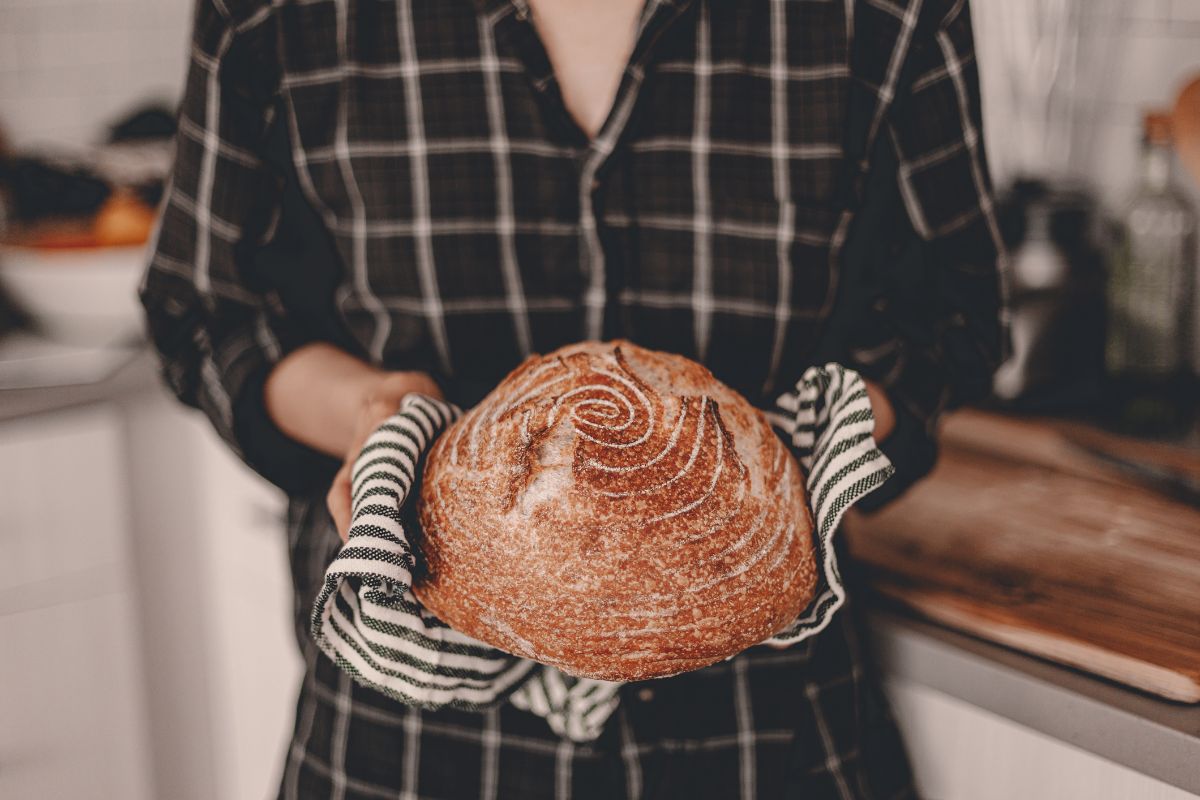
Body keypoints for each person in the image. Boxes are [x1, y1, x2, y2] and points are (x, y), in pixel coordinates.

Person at [140, 0, 1005, 796]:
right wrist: (373, 411)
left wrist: (789, 468)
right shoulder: (276, 15)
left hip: (768, 742)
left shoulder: (883, 14)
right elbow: (208, 311)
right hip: (406, 752)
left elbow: (952, 318)